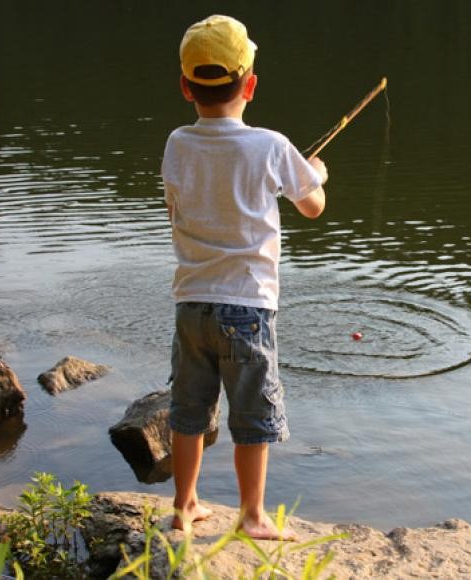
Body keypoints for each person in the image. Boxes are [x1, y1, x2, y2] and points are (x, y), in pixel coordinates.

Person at [162, 14, 327, 540]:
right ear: (251, 85)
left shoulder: (177, 143)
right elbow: (312, 207)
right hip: (248, 308)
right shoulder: (271, 145)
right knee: (252, 414)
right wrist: (316, 174)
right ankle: (252, 516)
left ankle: (184, 504)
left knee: (189, 409)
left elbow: (175, 209)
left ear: (186, 86)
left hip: (191, 305)